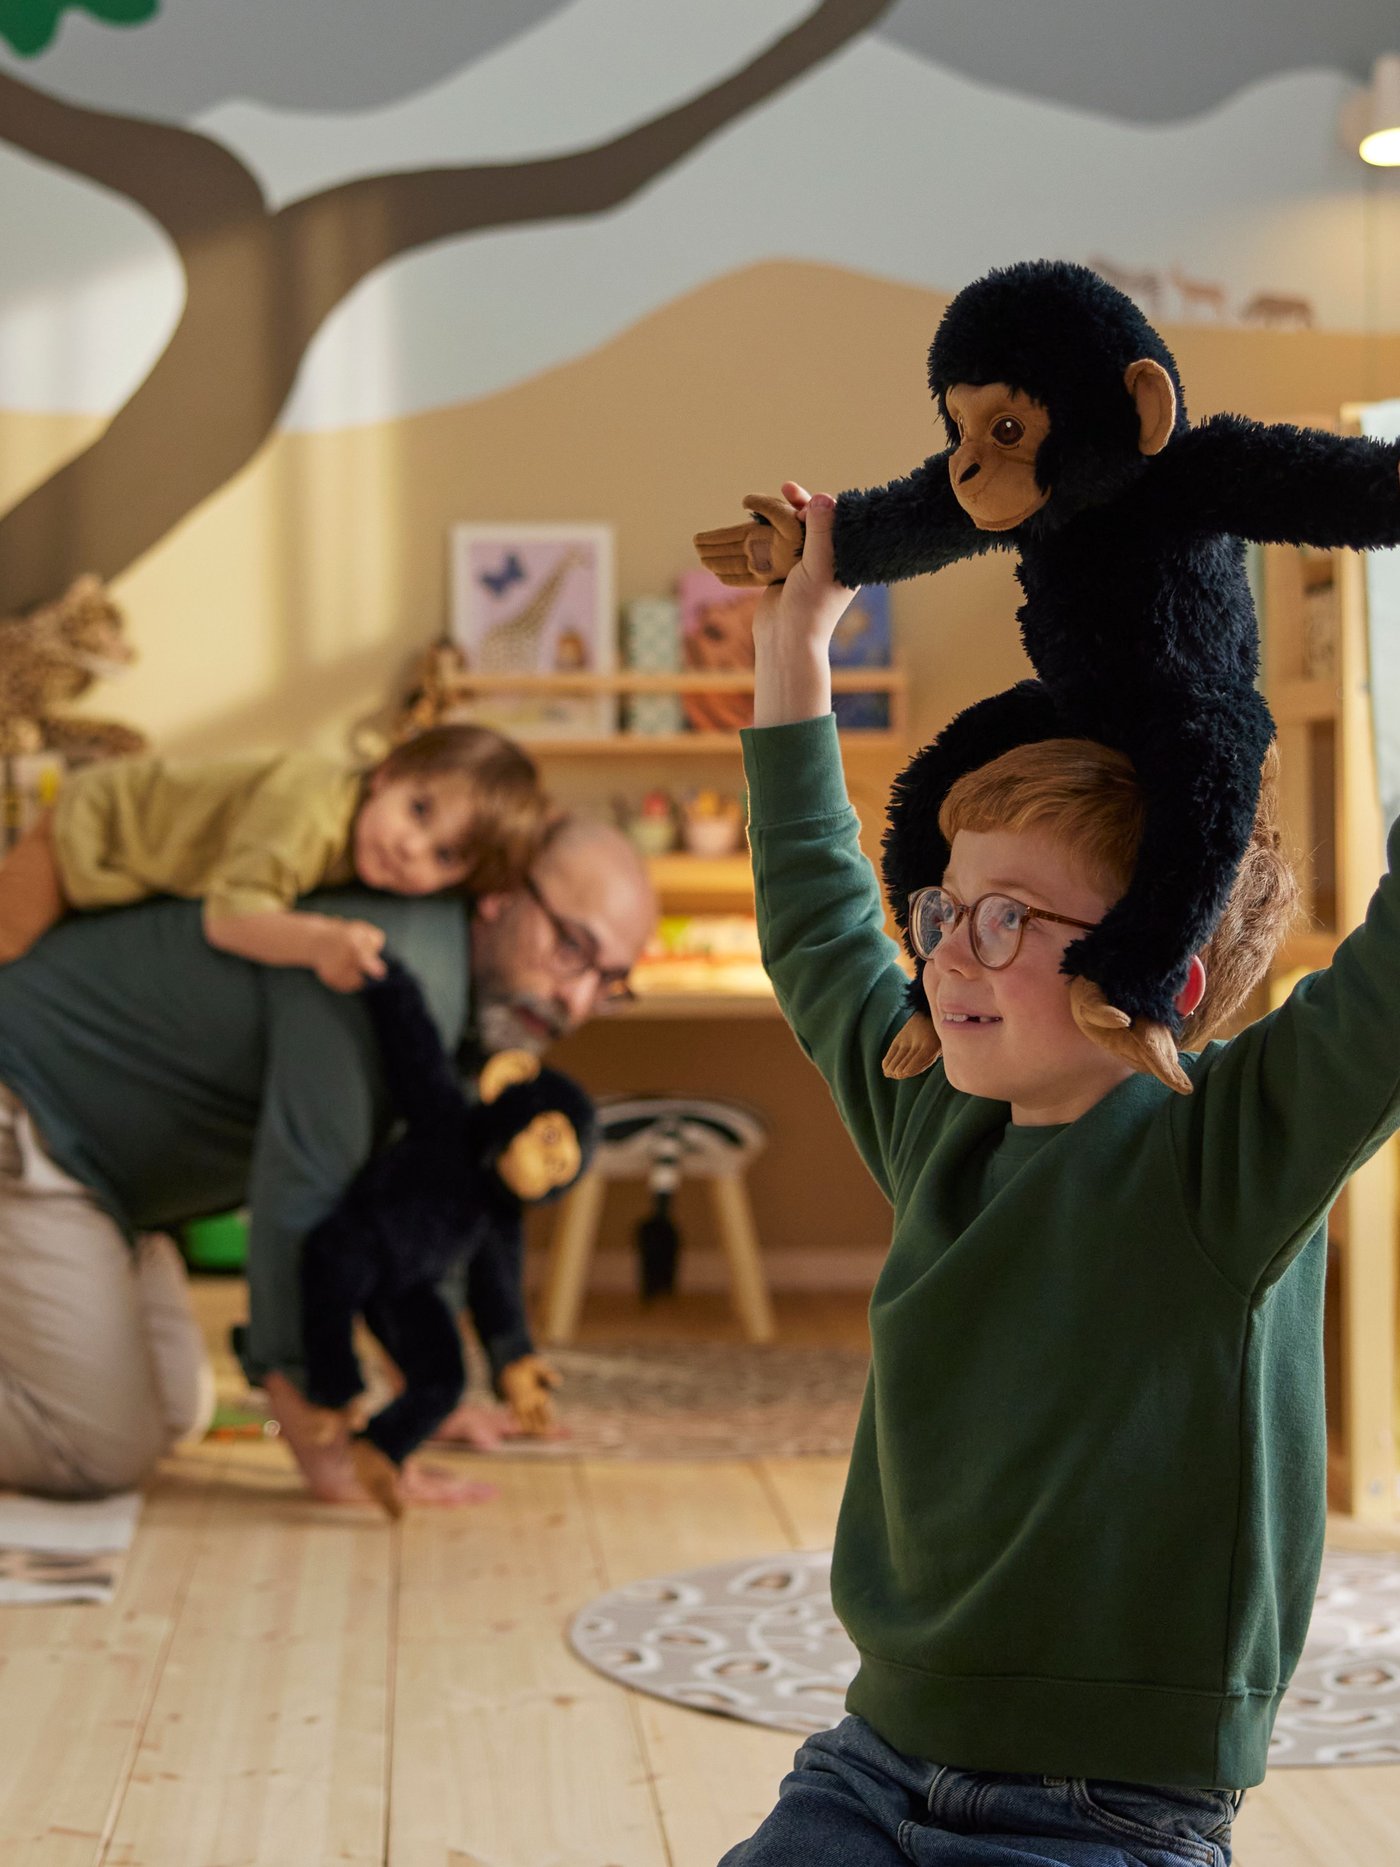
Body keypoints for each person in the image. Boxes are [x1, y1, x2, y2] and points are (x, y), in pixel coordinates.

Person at [717, 482, 1389, 1866]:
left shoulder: (1229, 1155)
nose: (951, 950)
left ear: (1162, 969)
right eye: (946, 908)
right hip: (871, 1761)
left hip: (1105, 1808)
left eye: (1010, 918)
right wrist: (799, 642)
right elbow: (809, 906)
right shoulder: (930, 1105)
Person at [0, 812, 654, 1504]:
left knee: (174, 1413)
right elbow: (304, 1194)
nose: (577, 999)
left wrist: (427, 1392)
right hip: (26, 1111)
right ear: (503, 892)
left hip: (101, 1182)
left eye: (610, 981)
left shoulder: (472, 1003)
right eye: (572, 948)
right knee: (96, 1451)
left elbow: (424, 1212)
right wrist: (327, 1447)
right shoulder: (377, 964)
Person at [0, 723, 547, 991]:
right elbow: (230, 918)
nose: (411, 848)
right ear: (387, 774)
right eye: (419, 810)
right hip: (93, 827)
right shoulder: (308, 812)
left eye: (445, 855)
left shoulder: (361, 845)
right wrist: (319, 943)